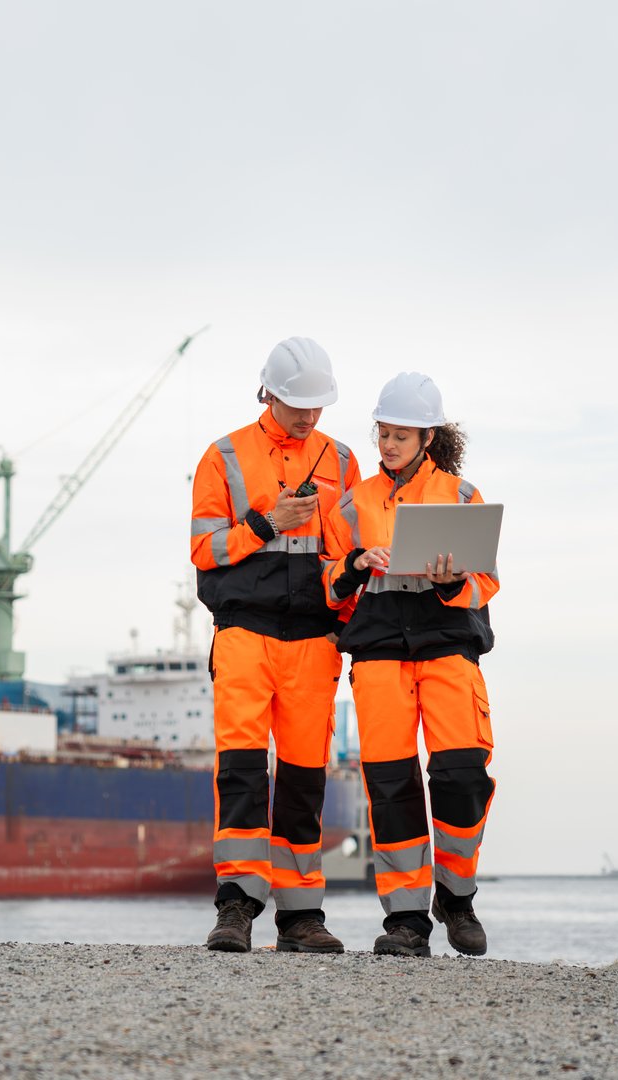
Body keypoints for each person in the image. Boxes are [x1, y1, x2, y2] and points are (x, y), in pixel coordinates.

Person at [189, 336, 362, 953]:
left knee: (303, 777)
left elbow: (347, 553)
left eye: (317, 406)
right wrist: (268, 523)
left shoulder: (341, 460)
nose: (309, 416)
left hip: (314, 641)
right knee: (239, 769)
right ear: (268, 393)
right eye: (298, 405)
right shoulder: (225, 456)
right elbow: (204, 550)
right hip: (243, 633)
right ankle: (236, 906)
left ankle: (301, 916)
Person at [322, 371, 499, 957]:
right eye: (384, 433)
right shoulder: (356, 503)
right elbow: (332, 586)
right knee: (391, 787)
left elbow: (487, 582)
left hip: (448, 650)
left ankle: (456, 895)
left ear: (428, 437)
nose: (389, 445)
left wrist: (452, 582)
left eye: (401, 435)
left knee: (463, 777)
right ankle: (405, 922)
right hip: (379, 658)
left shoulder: (461, 495)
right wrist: (351, 564)